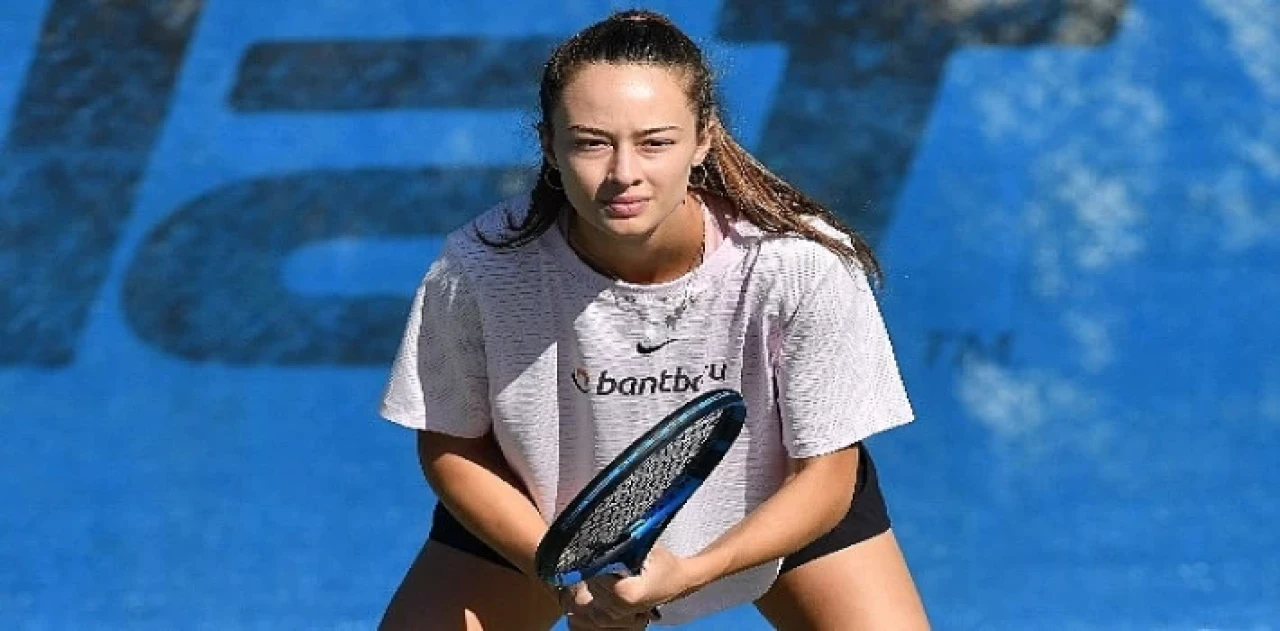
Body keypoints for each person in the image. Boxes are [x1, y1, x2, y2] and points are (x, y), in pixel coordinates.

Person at [376, 9, 929, 630]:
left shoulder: (801, 265)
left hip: (773, 505)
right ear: (549, 147)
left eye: (655, 142)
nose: (624, 174)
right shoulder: (477, 270)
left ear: (703, 141)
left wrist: (689, 573)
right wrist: (562, 574)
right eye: (590, 142)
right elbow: (452, 443)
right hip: (539, 513)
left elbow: (826, 478)